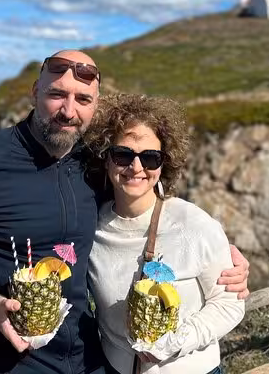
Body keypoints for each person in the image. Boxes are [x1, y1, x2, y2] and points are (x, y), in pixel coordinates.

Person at [0, 50, 250, 373]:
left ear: (94, 107)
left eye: (83, 99)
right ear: (35, 92)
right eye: (56, 95)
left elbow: (141, 197)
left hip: (85, 361)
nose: (69, 110)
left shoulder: (91, 165)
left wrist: (222, 257)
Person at [85, 93, 245, 374]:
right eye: (123, 154)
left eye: (150, 157)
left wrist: (174, 343)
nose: (136, 167)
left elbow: (229, 305)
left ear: (163, 163)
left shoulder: (193, 224)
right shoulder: (91, 227)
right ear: (106, 159)